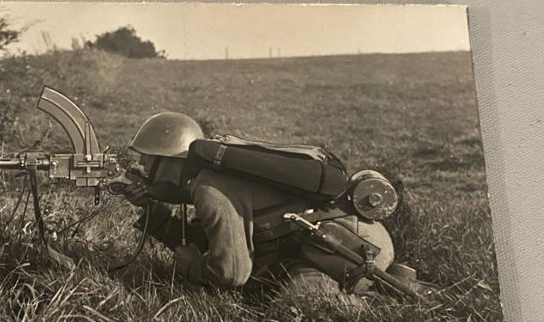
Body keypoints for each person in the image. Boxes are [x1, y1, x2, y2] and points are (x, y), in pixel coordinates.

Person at [121, 112, 397, 302]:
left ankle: (371, 300)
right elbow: (213, 239)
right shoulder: (207, 180)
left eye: (147, 158)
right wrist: (152, 207)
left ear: (169, 159)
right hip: (347, 241)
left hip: (349, 247)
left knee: (294, 303)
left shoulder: (209, 188)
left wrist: (193, 267)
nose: (142, 165)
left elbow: (232, 272)